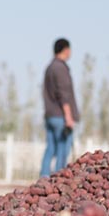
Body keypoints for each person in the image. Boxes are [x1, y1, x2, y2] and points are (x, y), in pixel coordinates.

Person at [40, 38, 80, 177]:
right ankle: (59, 181)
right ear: (66, 50)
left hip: (50, 115)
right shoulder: (61, 68)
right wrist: (68, 117)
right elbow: (63, 94)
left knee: (50, 149)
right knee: (63, 149)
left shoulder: (50, 67)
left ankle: (43, 179)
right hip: (60, 116)